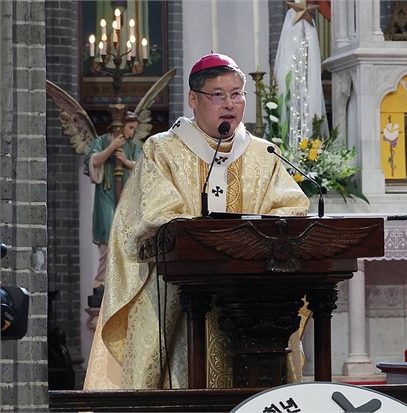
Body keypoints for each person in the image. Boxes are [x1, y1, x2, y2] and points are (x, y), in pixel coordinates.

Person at [83, 53, 310, 389]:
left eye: (237, 94)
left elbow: (292, 208)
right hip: (181, 299)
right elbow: (156, 215)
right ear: (193, 99)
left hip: (256, 301)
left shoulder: (264, 154)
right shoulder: (163, 150)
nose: (229, 104)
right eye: (218, 95)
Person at [84, 111, 142, 290]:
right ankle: (101, 279)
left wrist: (125, 161)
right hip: (106, 194)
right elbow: (93, 162)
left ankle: (121, 279)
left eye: (134, 129)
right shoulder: (101, 142)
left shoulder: (132, 147)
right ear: (121, 126)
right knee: (108, 236)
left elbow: (143, 167)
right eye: (130, 128)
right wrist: (112, 147)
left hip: (125, 195)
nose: (132, 132)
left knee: (125, 236)